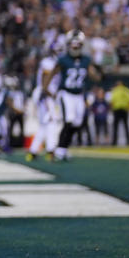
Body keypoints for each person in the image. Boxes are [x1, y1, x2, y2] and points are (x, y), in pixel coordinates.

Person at [46, 30, 102, 160]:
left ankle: (64, 148)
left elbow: (93, 74)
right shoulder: (63, 59)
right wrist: (46, 89)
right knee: (69, 120)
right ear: (68, 44)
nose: (75, 46)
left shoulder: (86, 59)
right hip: (66, 93)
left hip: (78, 94)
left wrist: (99, 76)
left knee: (77, 123)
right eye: (73, 44)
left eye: (78, 44)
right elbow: (52, 73)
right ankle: (60, 149)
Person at [109, 80, 129, 146]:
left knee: (117, 126)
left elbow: (112, 100)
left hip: (118, 109)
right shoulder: (126, 90)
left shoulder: (115, 90)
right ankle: (128, 141)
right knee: (125, 126)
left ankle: (114, 142)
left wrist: (112, 109)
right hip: (123, 109)